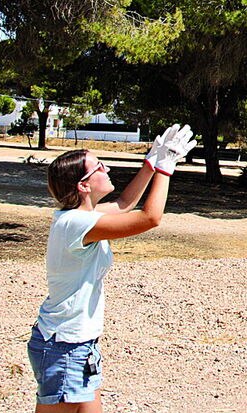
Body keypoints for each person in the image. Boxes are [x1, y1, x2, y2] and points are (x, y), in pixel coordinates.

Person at [27, 125, 196, 412]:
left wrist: (150, 163)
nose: (107, 169)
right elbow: (150, 218)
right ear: (83, 186)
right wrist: (165, 168)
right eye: (99, 167)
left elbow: (124, 203)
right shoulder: (76, 224)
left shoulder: (81, 215)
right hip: (63, 344)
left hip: (80, 342)